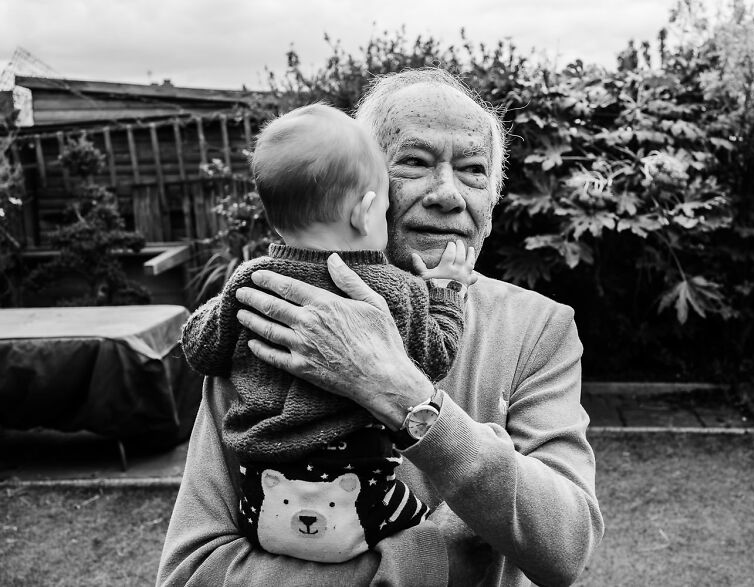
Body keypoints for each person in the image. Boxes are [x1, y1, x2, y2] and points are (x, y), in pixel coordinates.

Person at [158, 68, 604, 587]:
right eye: (414, 162)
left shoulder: (539, 327)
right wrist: (436, 564)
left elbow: (566, 547)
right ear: (361, 186)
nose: (447, 194)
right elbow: (193, 572)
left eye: (473, 170)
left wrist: (401, 392)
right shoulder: (274, 315)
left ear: (491, 199)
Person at [179, 104, 477, 564]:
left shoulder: (252, 282)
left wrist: (221, 307)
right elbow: (436, 356)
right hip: (363, 501)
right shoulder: (395, 291)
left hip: (259, 500)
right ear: (366, 211)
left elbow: (199, 350)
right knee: (451, 541)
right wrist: (445, 292)